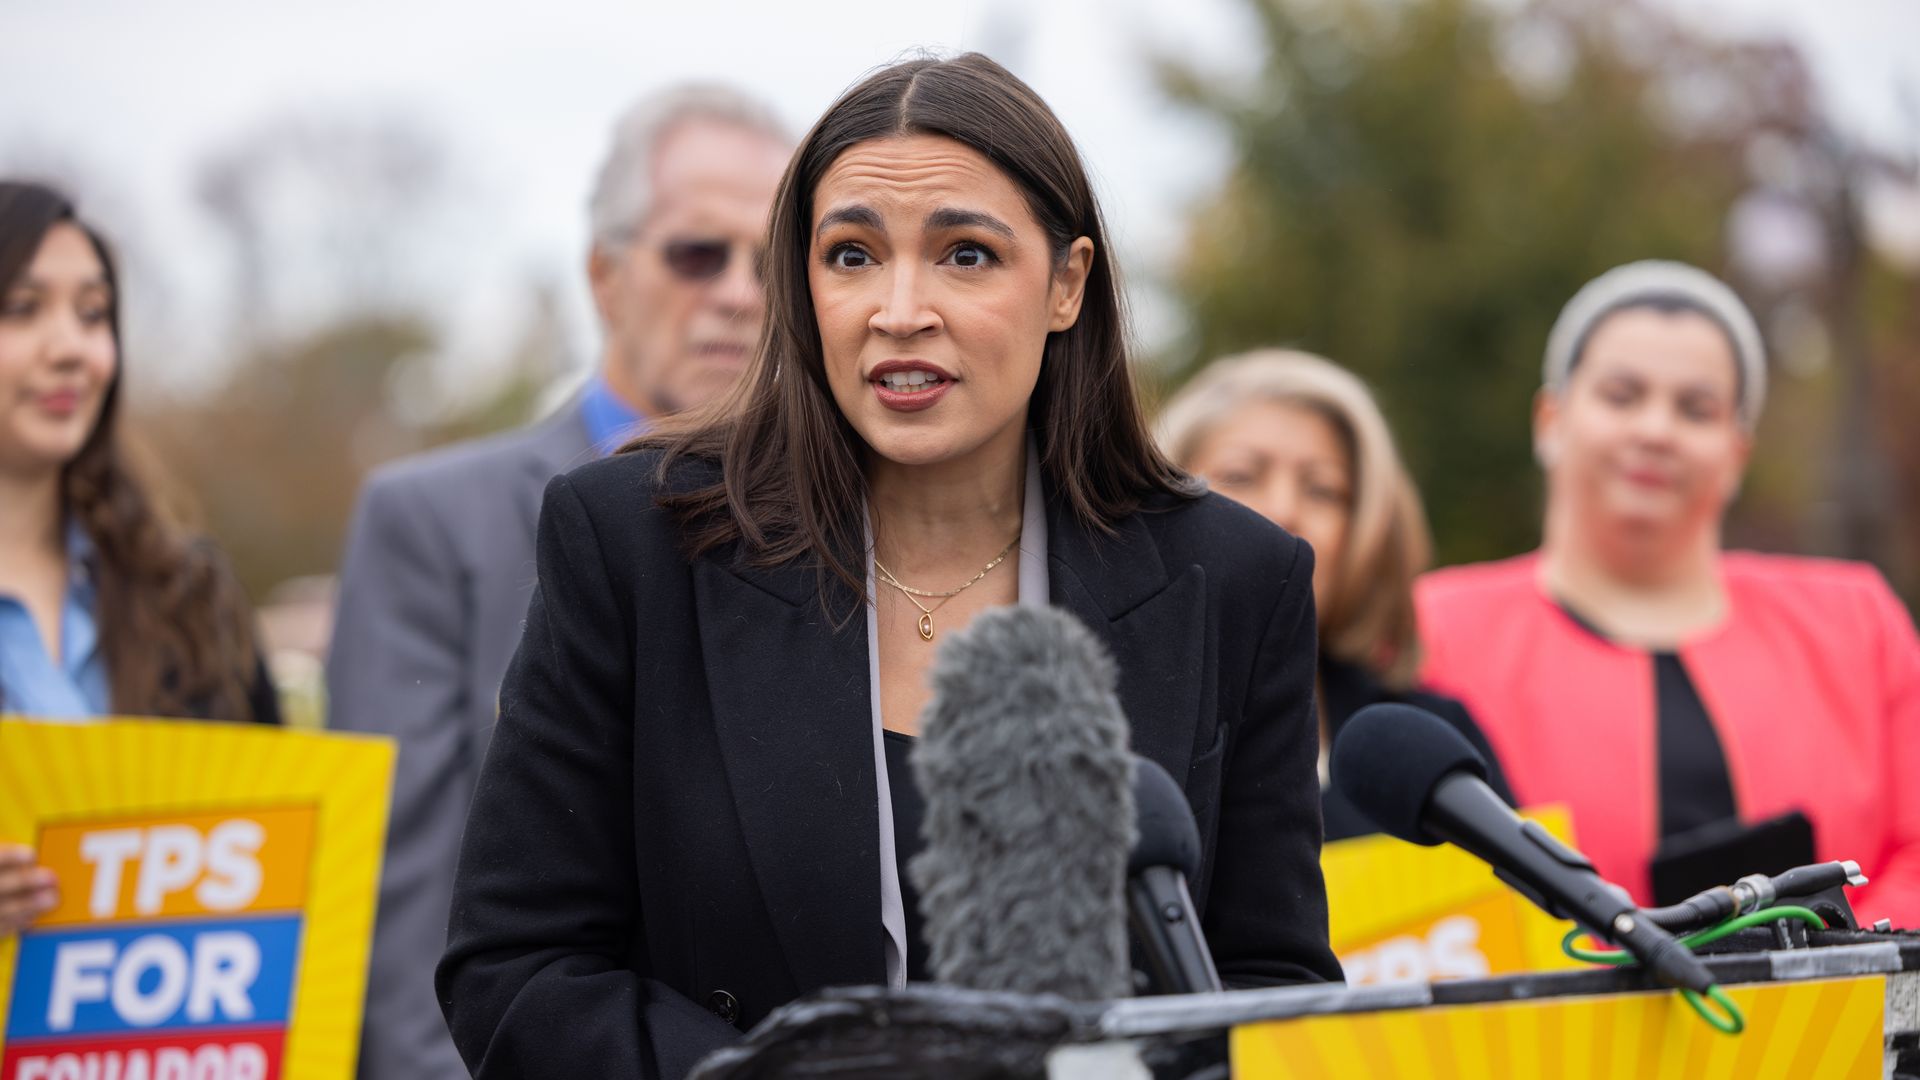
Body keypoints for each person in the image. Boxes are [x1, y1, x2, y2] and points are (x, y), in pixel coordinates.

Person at [437, 53, 1341, 1079]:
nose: (899, 308)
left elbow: (1274, 991)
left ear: (1067, 284)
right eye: (853, 255)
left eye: (964, 255)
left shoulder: (1233, 578)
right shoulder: (636, 545)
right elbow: (516, 972)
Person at [325, 85, 791, 1080]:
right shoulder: (432, 523)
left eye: (775, 262)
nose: (740, 293)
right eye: (697, 253)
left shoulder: (847, 531)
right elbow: (402, 889)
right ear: (604, 274)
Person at [1416, 260, 1920, 926]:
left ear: (1737, 450)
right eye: (1622, 396)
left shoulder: (1855, 622)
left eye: (1696, 408)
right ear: (1551, 419)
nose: (1656, 430)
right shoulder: (1432, 631)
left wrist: (1833, 975)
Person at [0, 180, 280, 936]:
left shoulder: (189, 591)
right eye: (22, 309)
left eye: (93, 315)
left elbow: (276, 851)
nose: (71, 349)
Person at [1157, 349, 1512, 841]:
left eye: (1322, 490)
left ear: (1366, 533)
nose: (1283, 511)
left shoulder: (1434, 745)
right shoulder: (1104, 736)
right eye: (1241, 476)